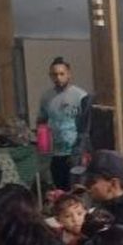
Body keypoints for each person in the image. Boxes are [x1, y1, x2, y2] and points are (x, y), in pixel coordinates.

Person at [39, 57, 91, 190]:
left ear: (69, 74)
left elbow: (86, 126)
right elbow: (42, 123)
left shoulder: (81, 96)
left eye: (62, 73)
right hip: (56, 153)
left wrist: (81, 150)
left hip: (75, 153)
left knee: (77, 188)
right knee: (59, 189)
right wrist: (43, 150)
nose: (58, 77)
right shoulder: (46, 97)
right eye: (54, 74)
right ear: (50, 76)